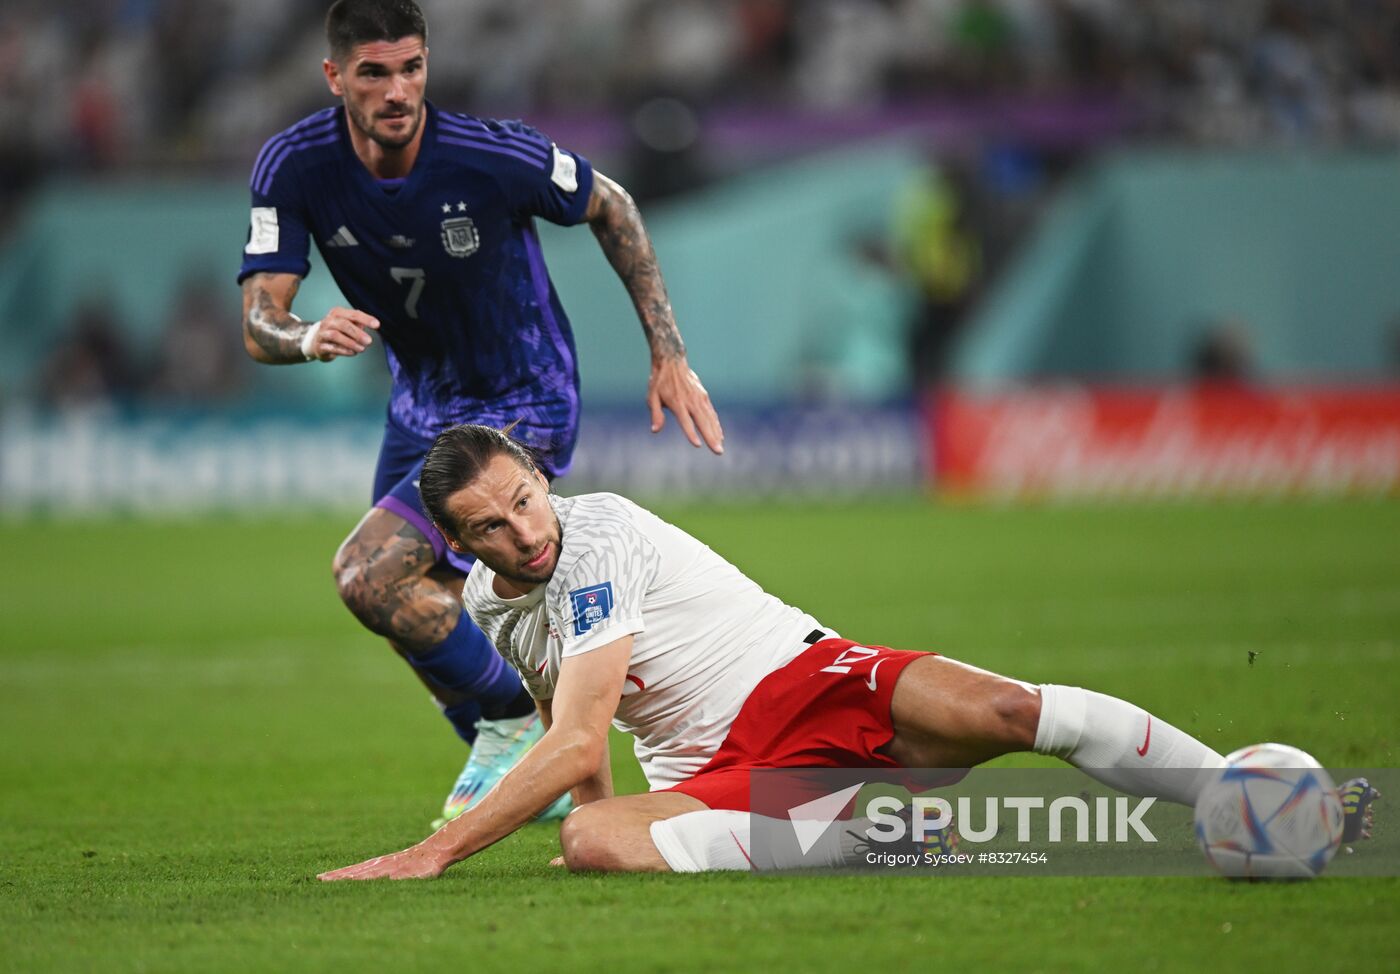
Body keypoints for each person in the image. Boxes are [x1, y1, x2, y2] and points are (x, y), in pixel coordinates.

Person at [318, 425, 1376, 879]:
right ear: (459, 547)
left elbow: (577, 727)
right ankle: (882, 831)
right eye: (492, 526)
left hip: (804, 678)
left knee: (1011, 714)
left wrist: (433, 852)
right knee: (595, 842)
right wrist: (592, 816)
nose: (524, 529)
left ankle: (1230, 792)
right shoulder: (503, 607)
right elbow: (573, 732)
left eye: (524, 496)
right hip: (713, 775)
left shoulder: (595, 534)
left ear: (542, 477)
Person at [237, 0, 723, 828]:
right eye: (374, 72)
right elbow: (259, 321)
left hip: (521, 396)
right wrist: (307, 334)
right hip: (421, 403)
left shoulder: (490, 155)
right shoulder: (292, 165)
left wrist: (667, 350)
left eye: (412, 67)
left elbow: (614, 206)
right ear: (334, 77)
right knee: (406, 603)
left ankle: (516, 721)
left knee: (368, 574)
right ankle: (518, 743)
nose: (398, 90)